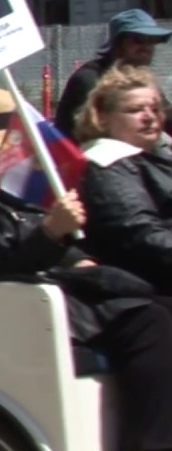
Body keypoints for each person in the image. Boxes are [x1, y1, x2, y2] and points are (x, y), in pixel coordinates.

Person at [0, 88, 172, 451]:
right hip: (15, 302)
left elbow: (43, 238)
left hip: (49, 286)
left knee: (158, 303)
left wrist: (73, 252)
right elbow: (1, 257)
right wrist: (51, 231)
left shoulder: (8, 186)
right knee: (149, 321)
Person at [76, 65, 172, 292]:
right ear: (103, 118)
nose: (149, 117)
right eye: (135, 110)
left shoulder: (154, 156)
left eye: (155, 109)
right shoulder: (106, 164)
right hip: (149, 289)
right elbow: (141, 236)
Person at [56, 9, 172, 141]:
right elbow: (93, 134)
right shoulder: (91, 79)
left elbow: (167, 117)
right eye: (139, 40)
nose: (146, 47)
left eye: (152, 40)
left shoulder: (141, 81)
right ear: (118, 43)